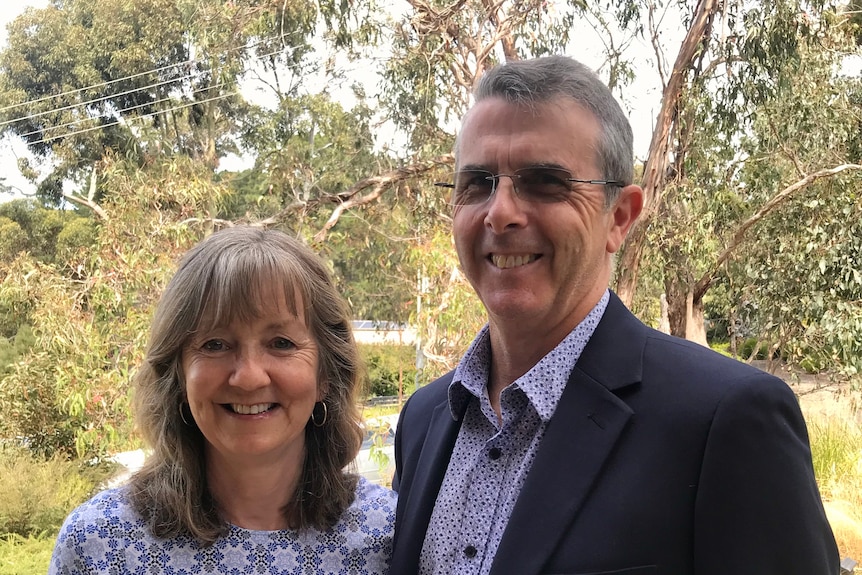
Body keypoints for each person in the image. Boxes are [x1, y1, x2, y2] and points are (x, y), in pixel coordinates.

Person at [391, 55, 838, 575]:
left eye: (544, 183)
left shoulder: (724, 422)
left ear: (619, 218)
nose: (501, 212)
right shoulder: (423, 420)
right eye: (477, 183)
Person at [50, 226, 397, 574]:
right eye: (215, 344)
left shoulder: (389, 538)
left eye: (281, 343)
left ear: (325, 375)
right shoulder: (99, 545)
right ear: (178, 374)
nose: (248, 377)